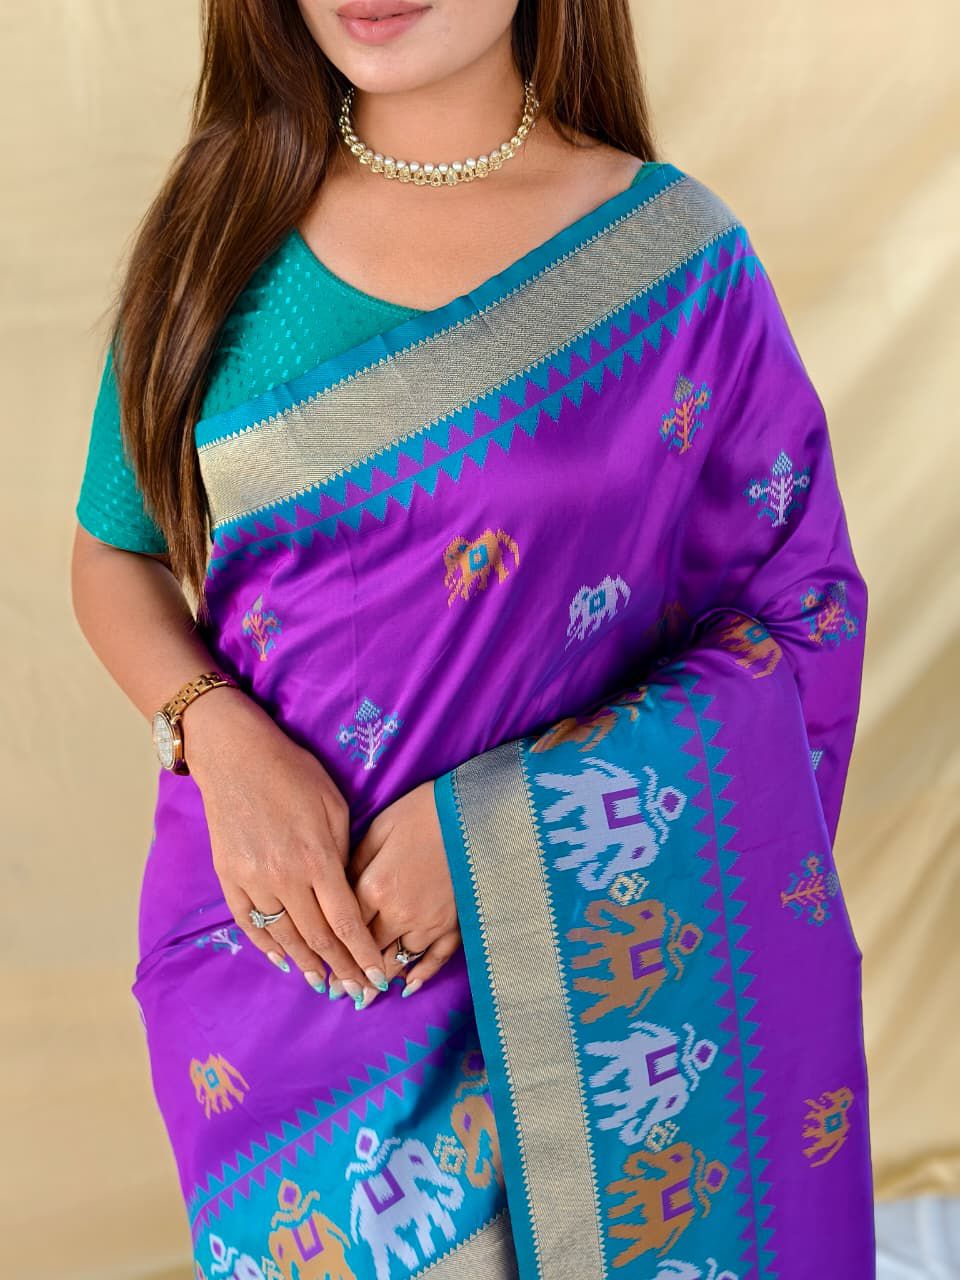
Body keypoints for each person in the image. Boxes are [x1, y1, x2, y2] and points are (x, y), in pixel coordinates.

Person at [71, 1, 876, 1276]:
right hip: (277, 972)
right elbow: (110, 553)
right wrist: (213, 731)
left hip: (574, 974)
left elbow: (797, 616)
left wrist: (500, 830)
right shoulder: (222, 225)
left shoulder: (670, 266)